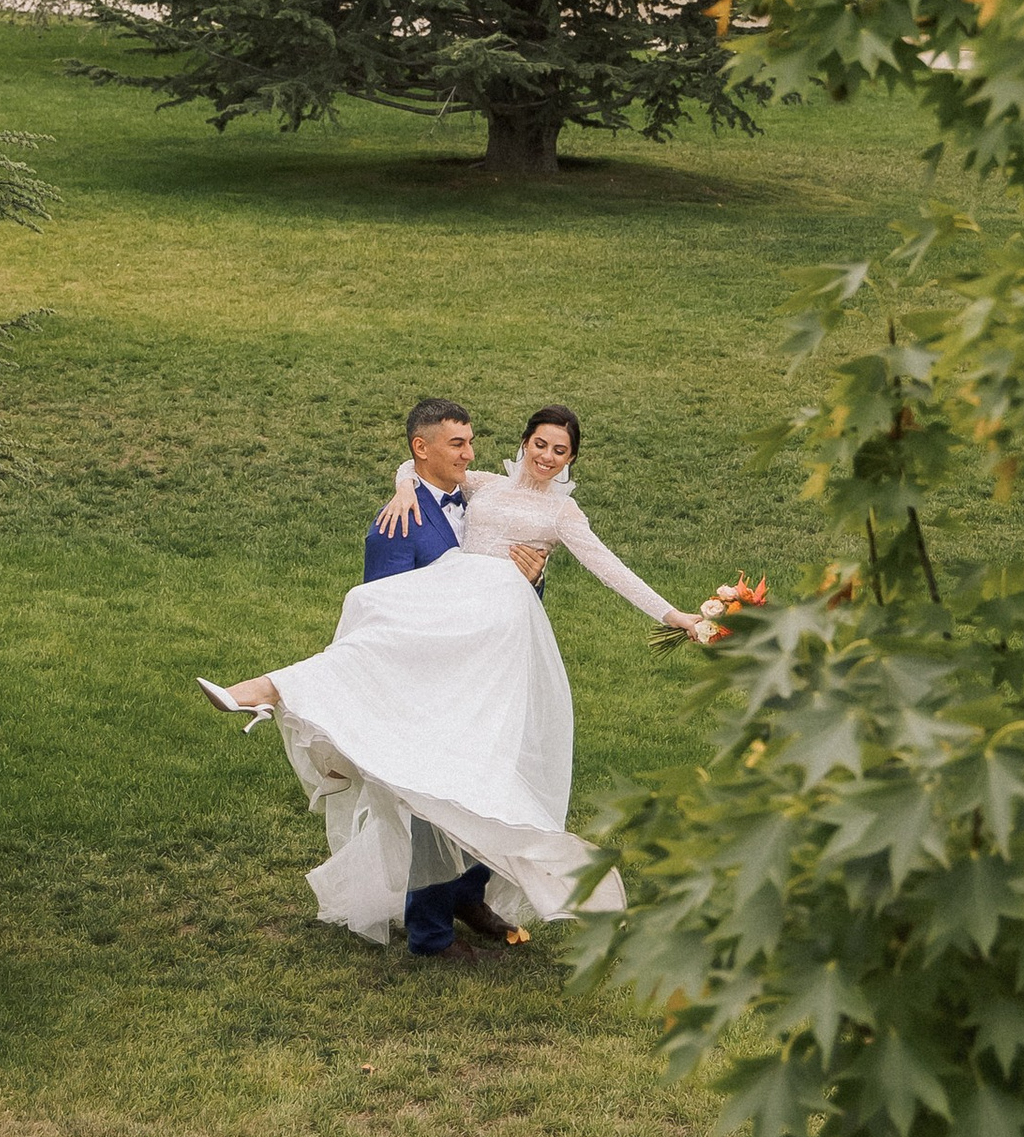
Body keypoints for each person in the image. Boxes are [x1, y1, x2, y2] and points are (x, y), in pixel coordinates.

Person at [197, 398, 696, 959]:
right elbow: (414, 464)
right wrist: (403, 487)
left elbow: (612, 569)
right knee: (388, 669)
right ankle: (268, 691)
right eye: (540, 444)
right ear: (524, 443)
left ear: (571, 460)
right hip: (448, 625)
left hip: (496, 644)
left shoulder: (562, 515)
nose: (547, 456)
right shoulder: (484, 485)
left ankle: (467, 893)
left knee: (488, 769)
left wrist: (675, 616)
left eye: (561, 450)